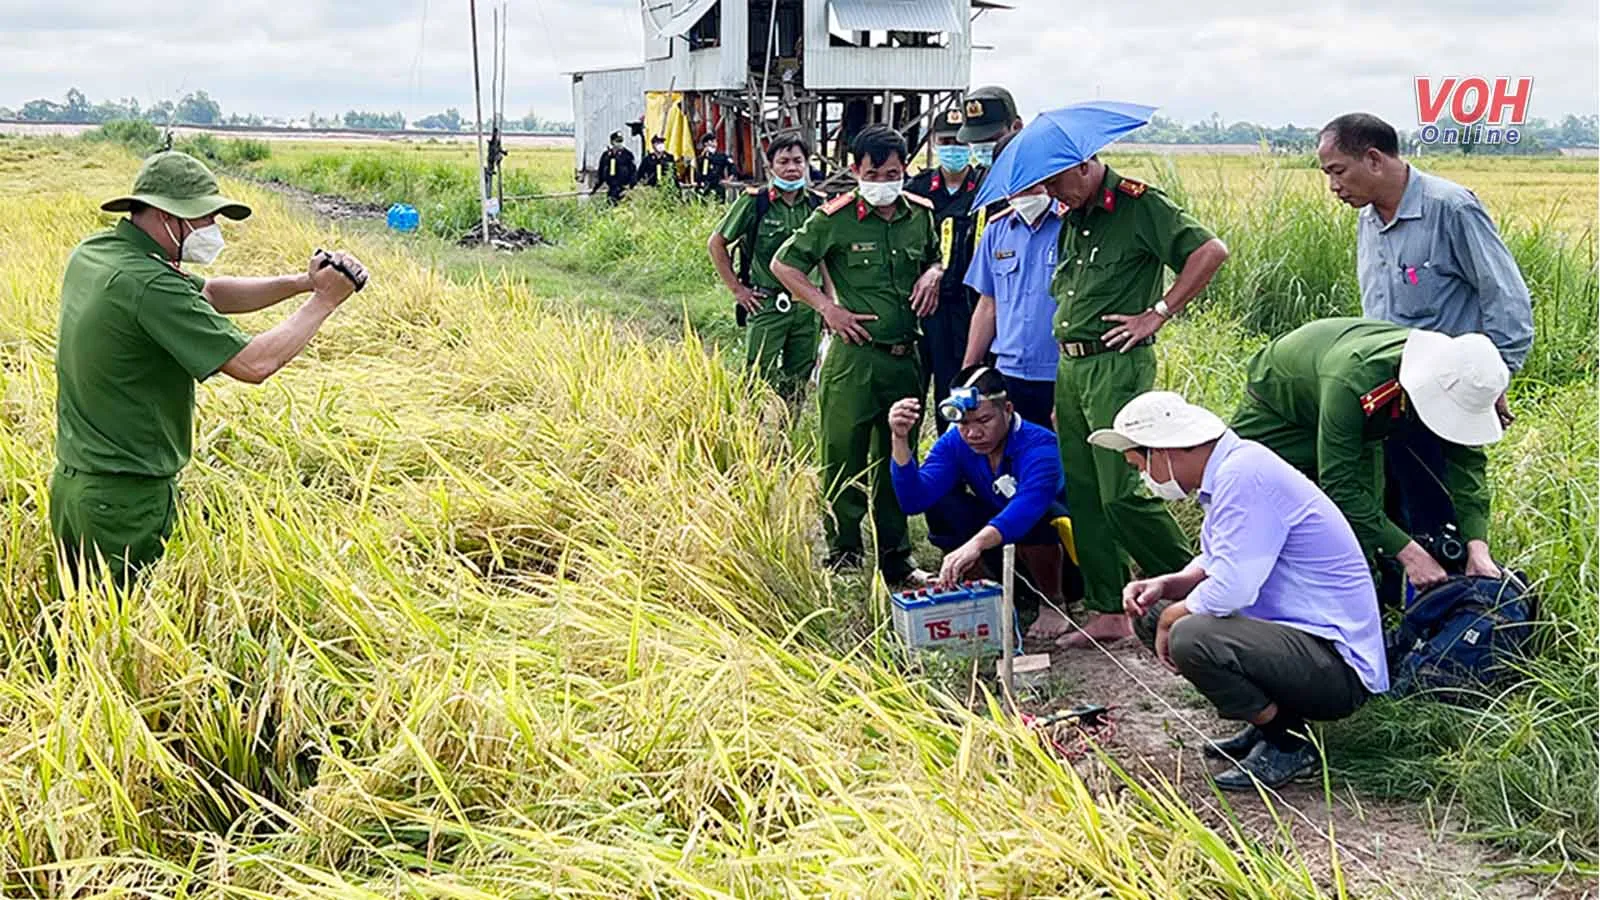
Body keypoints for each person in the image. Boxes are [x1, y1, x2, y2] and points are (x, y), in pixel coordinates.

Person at [52, 151, 366, 589]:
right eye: (203, 219)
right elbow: (255, 364)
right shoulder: (150, 285)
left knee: (76, 630)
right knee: (120, 637)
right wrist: (325, 301)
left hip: (76, 485)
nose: (210, 231)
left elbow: (212, 293)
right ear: (166, 216)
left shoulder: (98, 253)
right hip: (125, 502)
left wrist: (302, 282)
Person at [1088, 391, 1388, 790]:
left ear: (1165, 452)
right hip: (1296, 641)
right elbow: (1219, 559)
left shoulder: (1244, 475)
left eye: (1141, 464)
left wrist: (1175, 617)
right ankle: (1266, 725)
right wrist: (1166, 585)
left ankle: (1289, 744)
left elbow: (1232, 589)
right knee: (1154, 609)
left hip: (1337, 664)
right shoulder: (1232, 469)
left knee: (1190, 634)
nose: (1144, 476)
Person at [1316, 112, 1533, 558]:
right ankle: (1402, 607)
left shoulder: (1451, 208)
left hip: (1445, 391)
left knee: (1443, 514)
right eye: (1327, 175)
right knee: (1391, 507)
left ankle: (1459, 606)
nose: (1333, 186)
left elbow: (1505, 297)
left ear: (1373, 159)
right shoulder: (1368, 218)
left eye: (1338, 172)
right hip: (1386, 389)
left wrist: (1496, 377)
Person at [1042, 154, 1230, 646]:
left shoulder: (1139, 206)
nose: (1052, 193)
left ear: (1084, 165)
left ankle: (1201, 589)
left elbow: (1210, 250)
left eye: (1056, 181)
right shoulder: (1073, 216)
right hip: (1072, 366)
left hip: (1116, 365)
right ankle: (1109, 609)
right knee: (1083, 492)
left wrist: (1158, 312)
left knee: (1122, 490)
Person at [771, 124, 944, 584]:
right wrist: (827, 308)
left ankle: (897, 556)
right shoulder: (835, 218)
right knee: (842, 455)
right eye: (875, 172)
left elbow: (933, 256)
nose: (885, 181)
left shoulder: (921, 215)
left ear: (905, 169)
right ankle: (845, 552)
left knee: (897, 456)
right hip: (853, 358)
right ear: (855, 170)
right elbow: (783, 264)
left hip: (904, 358)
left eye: (893, 172)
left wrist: (935, 271)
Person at [1230, 318, 1508, 600]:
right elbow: (1340, 484)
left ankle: (1371, 604)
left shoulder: (1455, 375)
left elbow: (1467, 465)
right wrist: (1412, 556)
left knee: (1361, 536)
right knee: (1246, 489)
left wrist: (1477, 546)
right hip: (1280, 403)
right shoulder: (1359, 384)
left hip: (1357, 416)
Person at [888, 366, 1073, 639]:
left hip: (1061, 557)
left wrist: (974, 544)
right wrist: (900, 439)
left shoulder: (1039, 444)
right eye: (964, 424)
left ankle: (1053, 602)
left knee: (1038, 515)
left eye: (984, 420)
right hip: (1001, 548)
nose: (973, 433)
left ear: (1007, 409)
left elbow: (1027, 508)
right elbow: (914, 500)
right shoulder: (954, 441)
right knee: (944, 502)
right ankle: (987, 594)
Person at [708, 132, 832, 402]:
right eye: (784, 161)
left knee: (798, 380)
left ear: (807, 165)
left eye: (798, 161)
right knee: (756, 377)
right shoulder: (755, 202)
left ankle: (787, 436)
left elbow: (825, 258)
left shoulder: (817, 205)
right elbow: (717, 244)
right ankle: (751, 434)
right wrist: (739, 290)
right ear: (771, 167)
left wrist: (829, 304)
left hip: (807, 307)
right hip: (767, 303)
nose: (791, 168)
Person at [906, 107, 985, 435]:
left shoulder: (985, 186)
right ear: (935, 144)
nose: (953, 147)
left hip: (967, 306)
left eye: (959, 141)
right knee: (911, 392)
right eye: (946, 141)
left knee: (953, 391)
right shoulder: (918, 188)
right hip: (922, 305)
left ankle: (954, 464)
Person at [962, 180, 1066, 429]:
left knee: (1058, 459)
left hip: (1059, 372)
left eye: (1032, 185)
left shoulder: (1071, 226)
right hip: (1008, 372)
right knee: (1008, 455)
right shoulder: (997, 229)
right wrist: (968, 371)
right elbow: (988, 305)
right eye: (1017, 185)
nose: (1025, 194)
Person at [956, 86, 1025, 170]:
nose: (982, 149)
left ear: (1016, 127)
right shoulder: (980, 177)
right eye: (975, 141)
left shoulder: (1035, 175)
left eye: (991, 138)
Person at [593, 131, 637, 205]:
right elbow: (601, 172)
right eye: (617, 141)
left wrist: (630, 186)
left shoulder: (627, 154)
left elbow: (633, 172)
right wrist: (596, 187)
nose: (619, 143)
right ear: (612, 142)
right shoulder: (606, 155)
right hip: (611, 188)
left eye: (621, 141)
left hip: (623, 188)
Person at [694, 132, 738, 199]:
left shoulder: (721, 156)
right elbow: (697, 173)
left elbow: (732, 166)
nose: (715, 143)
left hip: (718, 185)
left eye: (714, 141)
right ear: (706, 143)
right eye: (712, 141)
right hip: (705, 186)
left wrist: (729, 179)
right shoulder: (700, 158)